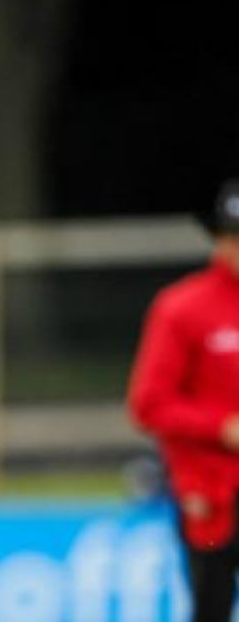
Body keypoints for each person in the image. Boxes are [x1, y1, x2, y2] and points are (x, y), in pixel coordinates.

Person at [128, 177, 239, 622]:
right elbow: (149, 403)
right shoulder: (183, 307)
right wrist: (222, 427)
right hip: (211, 492)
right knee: (210, 606)